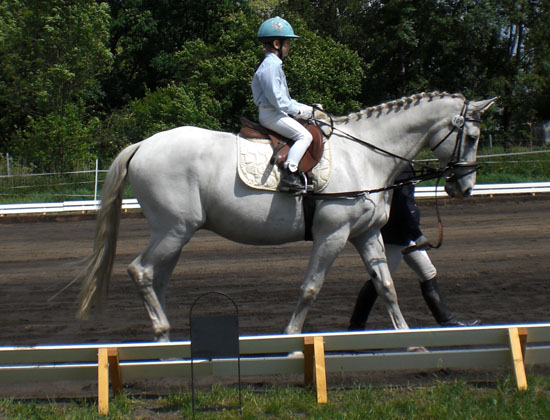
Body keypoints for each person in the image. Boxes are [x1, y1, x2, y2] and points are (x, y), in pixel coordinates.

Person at [348, 165, 481, 330]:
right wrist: (418, 235)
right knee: (379, 282)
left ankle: (447, 321)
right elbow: (402, 206)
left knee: (428, 273)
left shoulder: (402, 166)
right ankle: (356, 327)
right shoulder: (401, 169)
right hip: (397, 236)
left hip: (404, 234)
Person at [251, 16, 315, 192]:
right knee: (305, 136)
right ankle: (290, 174)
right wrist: (299, 110)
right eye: (288, 43)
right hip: (272, 115)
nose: (290, 47)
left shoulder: (275, 64)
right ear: (277, 44)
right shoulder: (271, 67)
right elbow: (278, 101)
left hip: (277, 113)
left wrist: (307, 108)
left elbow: (285, 99)